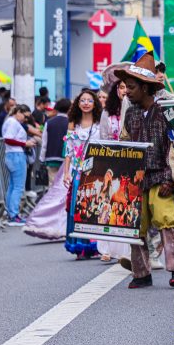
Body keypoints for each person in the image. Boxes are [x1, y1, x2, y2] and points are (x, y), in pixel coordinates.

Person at [117, 52, 174, 289]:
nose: (126, 91)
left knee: (167, 220)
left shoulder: (167, 110)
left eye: (131, 87)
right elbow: (124, 143)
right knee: (136, 225)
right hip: (136, 179)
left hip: (163, 175)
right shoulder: (130, 113)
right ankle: (141, 272)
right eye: (126, 87)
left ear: (145, 88)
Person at [63, 90, 102, 258]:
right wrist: (66, 173)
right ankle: (80, 246)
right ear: (78, 104)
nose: (86, 103)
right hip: (78, 173)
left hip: (96, 172)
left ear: (95, 104)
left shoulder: (100, 124)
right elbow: (68, 151)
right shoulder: (73, 124)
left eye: (89, 100)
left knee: (94, 208)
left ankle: (96, 245)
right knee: (77, 208)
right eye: (83, 100)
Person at [97, 78, 130, 264]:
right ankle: (105, 248)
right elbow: (103, 137)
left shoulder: (134, 110)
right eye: (121, 87)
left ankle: (124, 249)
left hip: (129, 161)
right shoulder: (107, 113)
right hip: (110, 161)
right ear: (116, 90)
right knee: (107, 203)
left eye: (127, 87)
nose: (124, 90)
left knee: (124, 206)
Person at [2, 104, 37, 226]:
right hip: (16, 155)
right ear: (18, 112)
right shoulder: (13, 122)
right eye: (25, 116)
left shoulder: (10, 121)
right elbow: (8, 139)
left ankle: (11, 214)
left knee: (13, 186)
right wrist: (25, 143)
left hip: (12, 155)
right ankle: (14, 215)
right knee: (17, 187)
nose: (25, 119)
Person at [40, 98, 70, 186]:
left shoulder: (49, 122)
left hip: (51, 158)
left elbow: (44, 142)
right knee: (64, 185)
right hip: (66, 159)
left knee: (53, 185)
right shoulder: (71, 123)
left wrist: (42, 159)